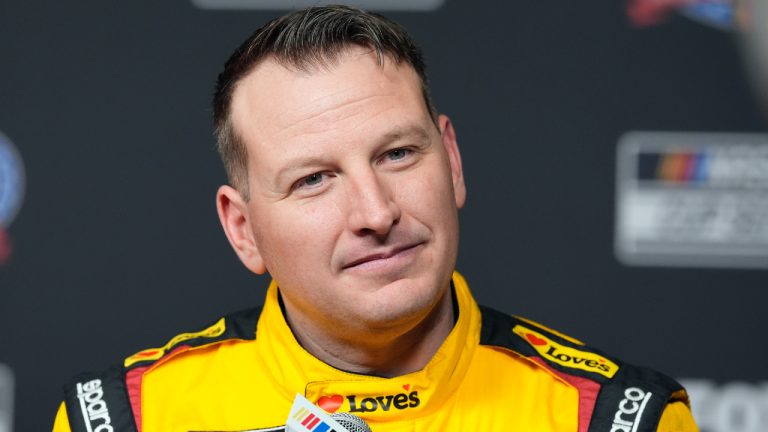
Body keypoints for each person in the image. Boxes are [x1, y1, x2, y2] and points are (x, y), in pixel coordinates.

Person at [53, 5, 698, 432]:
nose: (376, 212)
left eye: (396, 154)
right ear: (242, 228)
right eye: (313, 179)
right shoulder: (125, 417)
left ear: (451, 160)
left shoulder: (615, 418)